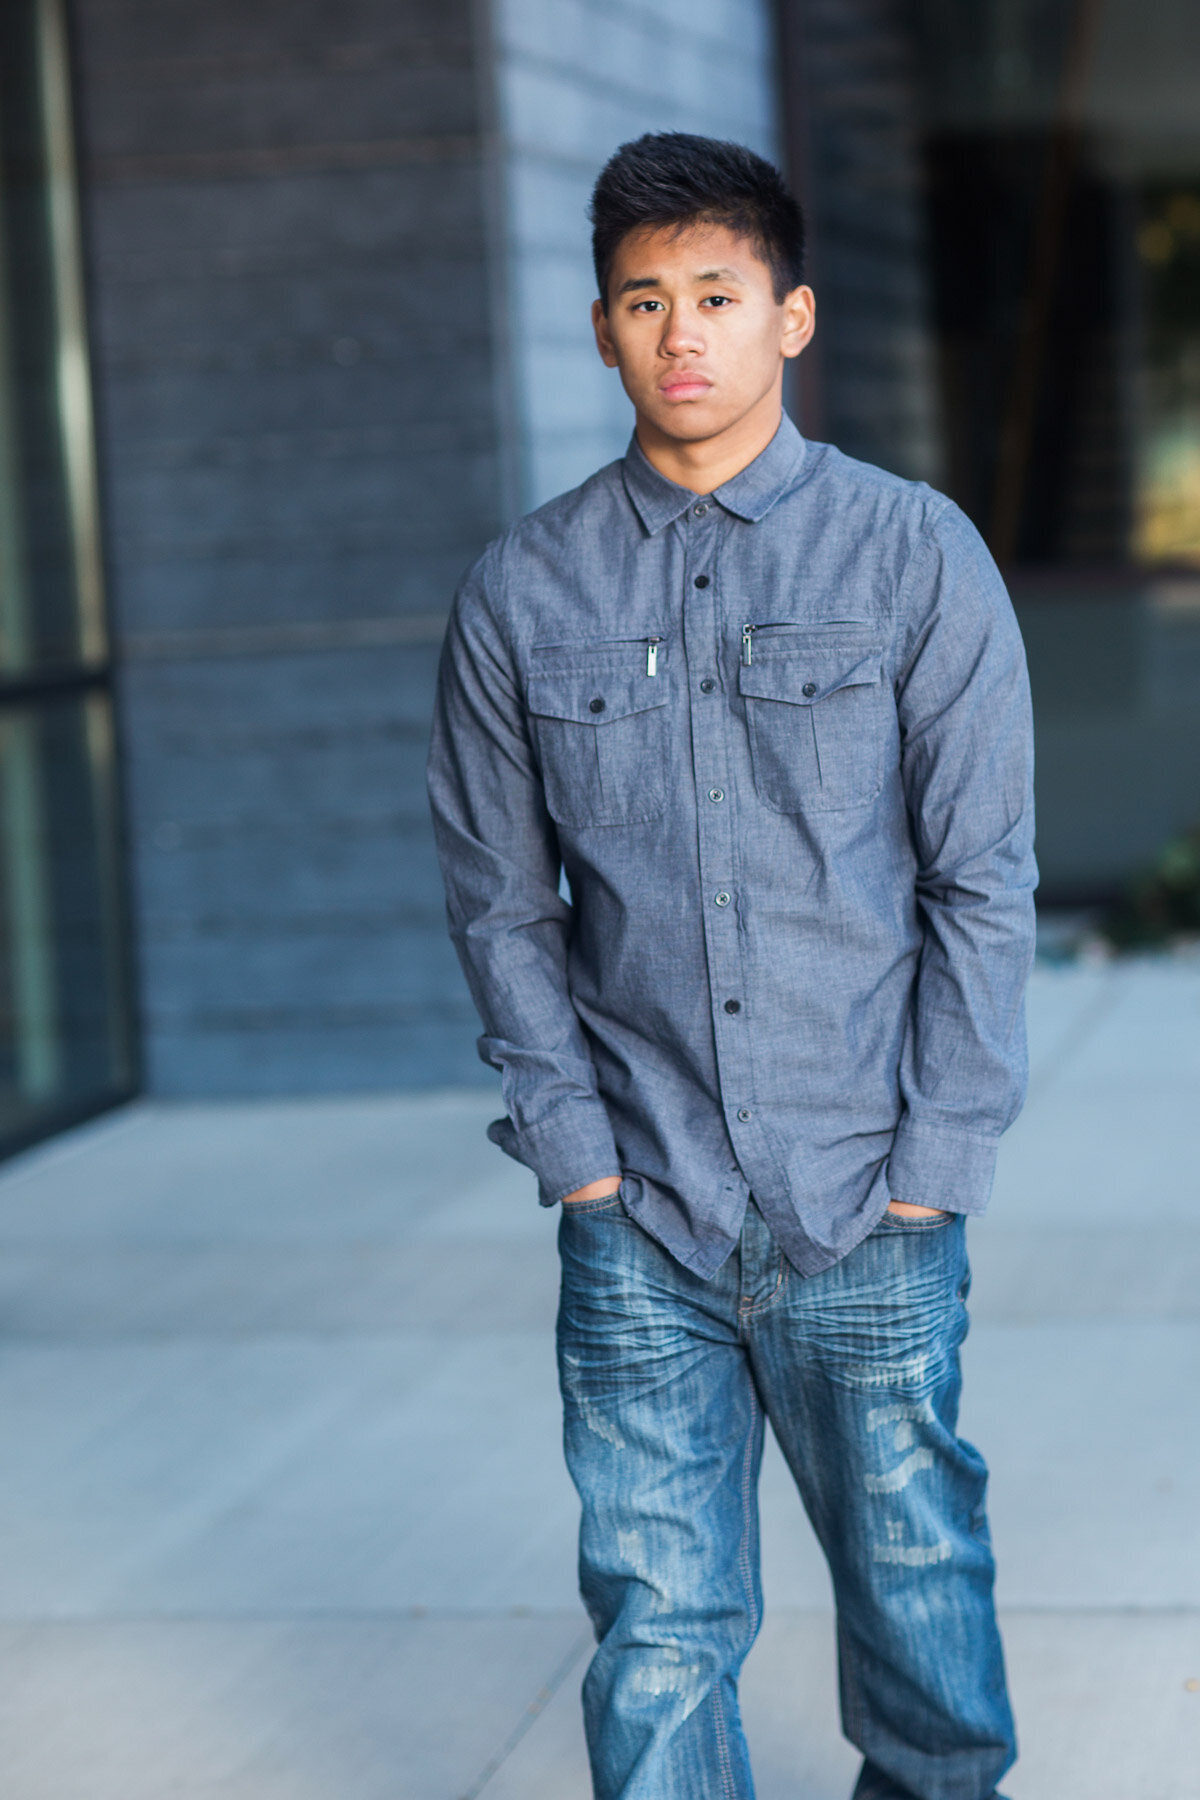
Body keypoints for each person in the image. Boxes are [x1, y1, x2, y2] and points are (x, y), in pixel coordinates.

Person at [427, 131, 1035, 1800]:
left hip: (866, 1198)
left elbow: (981, 882)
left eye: (716, 293)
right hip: (643, 1213)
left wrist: (937, 1165)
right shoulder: (520, 592)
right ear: (604, 329)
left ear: (793, 317)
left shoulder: (916, 558)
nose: (680, 329)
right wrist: (581, 1166)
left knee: (916, 1594)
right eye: (644, 299)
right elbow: (502, 905)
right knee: (659, 1621)